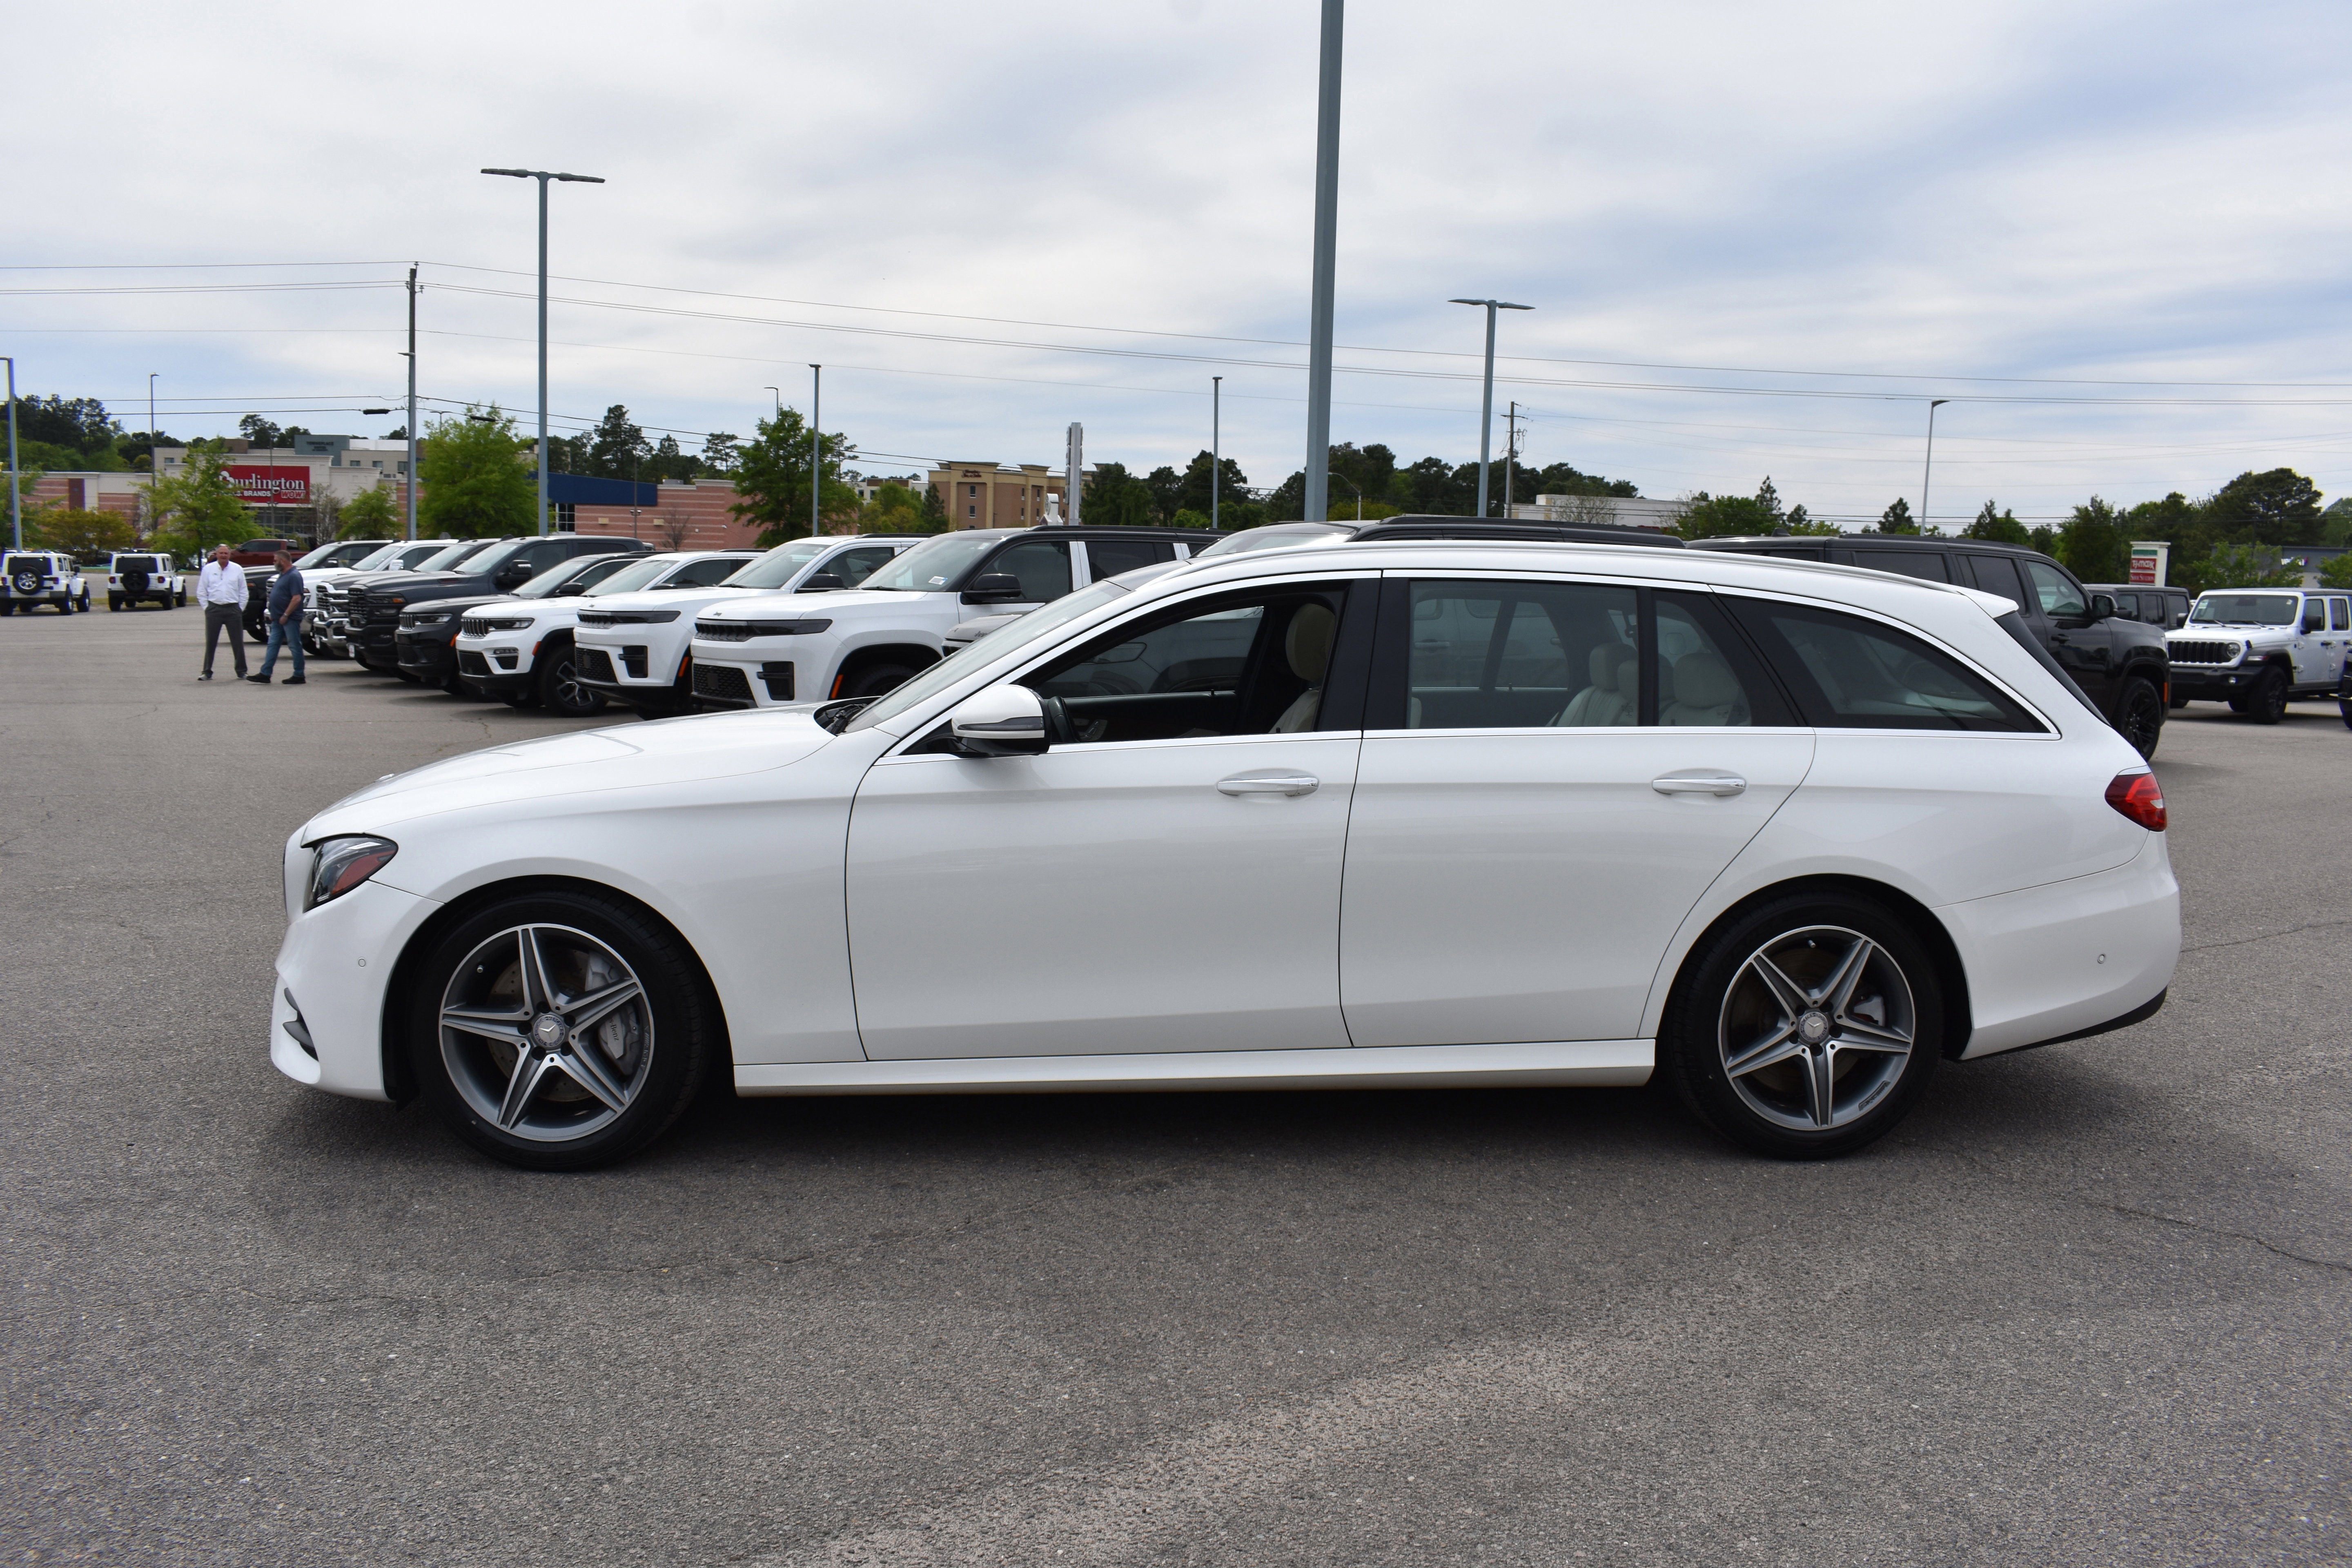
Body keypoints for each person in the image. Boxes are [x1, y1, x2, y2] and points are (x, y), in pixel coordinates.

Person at [249, 548, 306, 685]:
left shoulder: (294, 576)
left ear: (283, 561)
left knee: (294, 645)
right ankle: (265, 673)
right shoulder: (283, 574)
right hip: (277, 618)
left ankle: (299, 675)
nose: (273, 563)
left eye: (275, 561)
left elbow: (297, 598)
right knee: (273, 645)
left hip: (290, 618)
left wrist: (286, 614)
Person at [195, 543, 248, 681]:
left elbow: (244, 592)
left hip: (233, 609)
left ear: (230, 555)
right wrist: (207, 608)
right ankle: (207, 671)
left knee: (237, 642)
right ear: (217, 554)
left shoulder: (237, 569)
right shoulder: (208, 569)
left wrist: (239, 609)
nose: (224, 556)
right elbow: (202, 591)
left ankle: (242, 671)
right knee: (211, 642)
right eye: (221, 553)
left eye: (226, 553)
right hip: (214, 609)